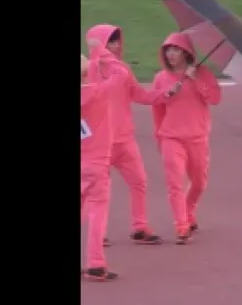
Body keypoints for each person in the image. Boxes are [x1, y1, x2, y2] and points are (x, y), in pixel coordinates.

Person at [85, 24, 171, 246]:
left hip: (124, 140)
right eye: (110, 42)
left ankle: (140, 227)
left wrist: (164, 94)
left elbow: (139, 95)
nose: (115, 46)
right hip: (99, 144)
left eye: (116, 42)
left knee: (139, 181)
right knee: (96, 194)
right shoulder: (88, 71)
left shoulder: (122, 70)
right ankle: (98, 235)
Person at [150, 32, 221, 244]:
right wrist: (159, 138)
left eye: (176, 50)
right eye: (168, 50)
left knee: (199, 182)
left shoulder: (203, 73)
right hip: (171, 137)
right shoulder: (161, 78)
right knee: (175, 183)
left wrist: (196, 81)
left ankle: (189, 210)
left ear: (186, 52)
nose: (171, 54)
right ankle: (181, 225)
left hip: (197, 137)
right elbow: (157, 111)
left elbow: (215, 98)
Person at [80, 46, 123, 281]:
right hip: (96, 164)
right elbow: (120, 75)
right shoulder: (98, 93)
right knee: (98, 212)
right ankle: (95, 262)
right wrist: (103, 54)